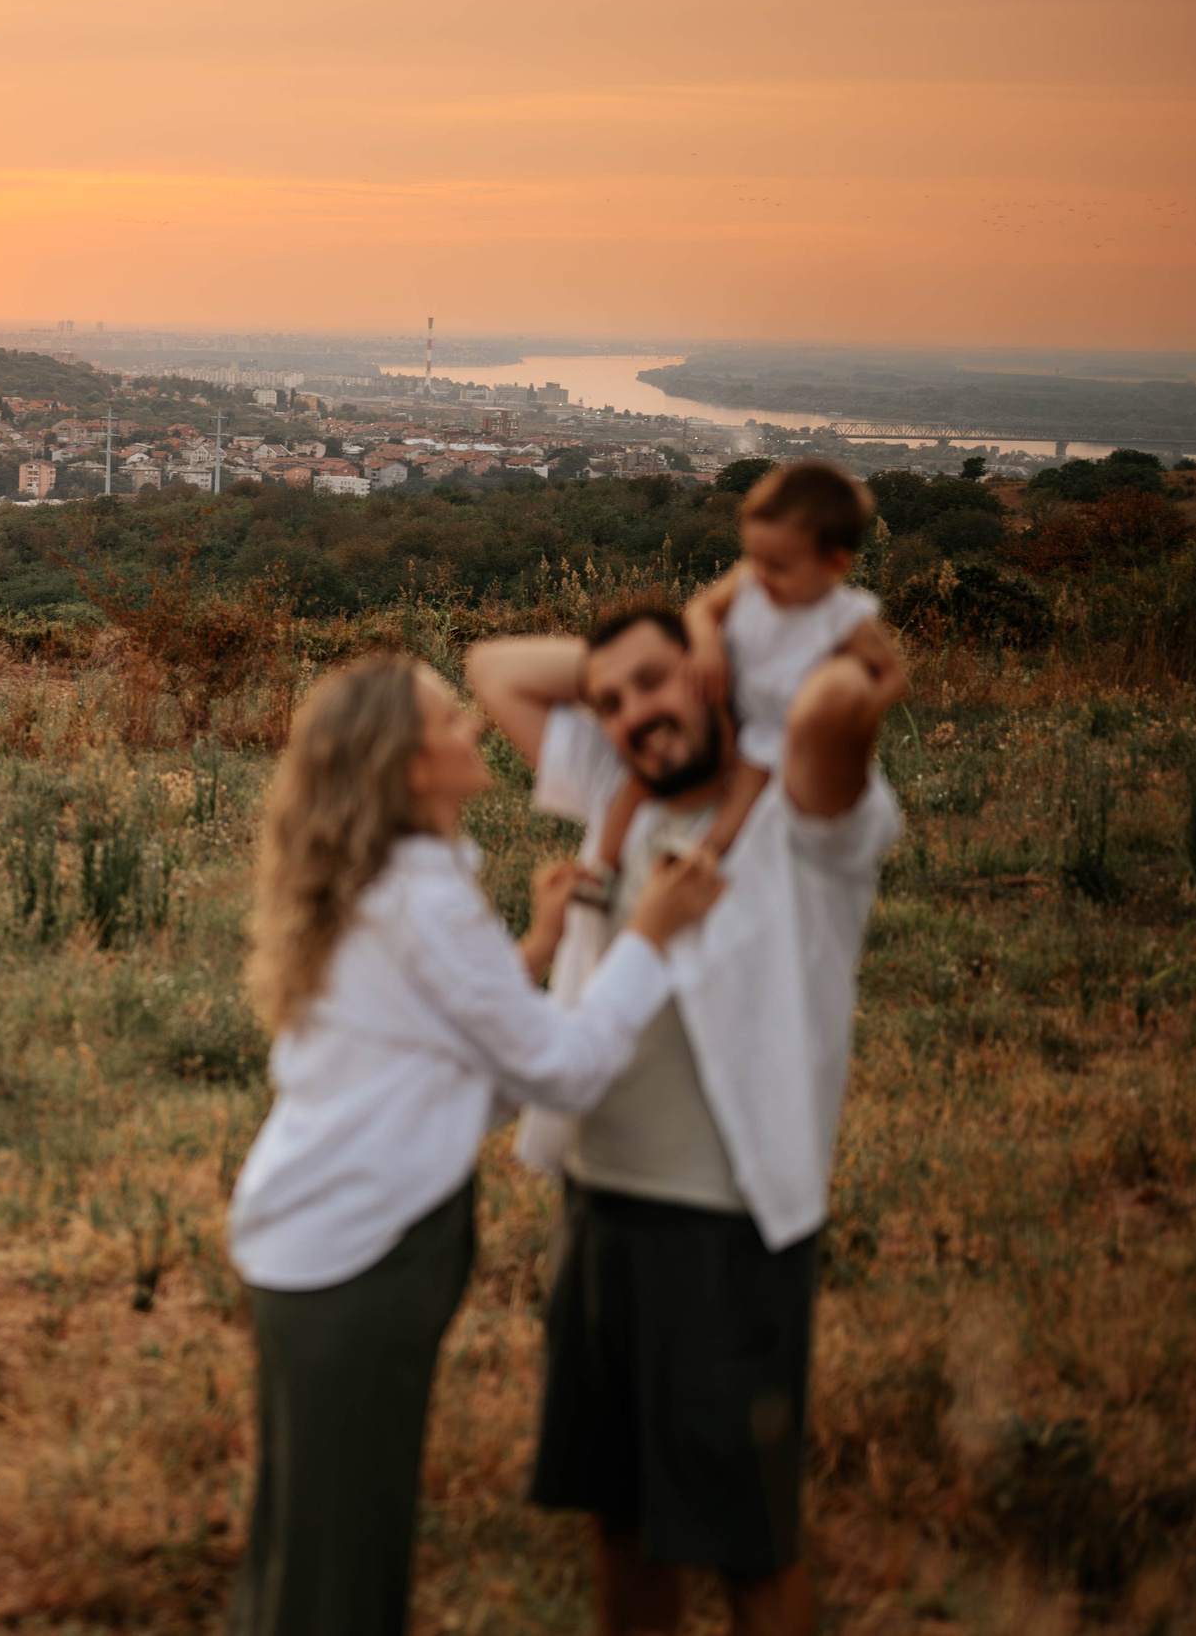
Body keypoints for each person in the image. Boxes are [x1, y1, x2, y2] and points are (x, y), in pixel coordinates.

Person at [224, 655, 725, 1636]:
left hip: (316, 1248)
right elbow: (565, 1072)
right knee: (342, 1572)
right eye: (452, 719)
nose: (474, 729)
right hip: (354, 1260)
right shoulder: (425, 899)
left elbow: (444, 1063)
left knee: (304, 1547)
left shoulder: (391, 880)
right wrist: (648, 939)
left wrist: (533, 954)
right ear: (410, 766)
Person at [467, 595, 906, 1636]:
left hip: (724, 1225)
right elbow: (495, 667)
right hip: (598, 1204)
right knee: (619, 1524)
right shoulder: (614, 784)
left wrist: (720, 638)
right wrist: (635, 679)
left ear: (711, 678)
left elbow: (843, 694)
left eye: (655, 683)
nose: (631, 713)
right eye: (609, 700)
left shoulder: (804, 817)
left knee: (746, 1542)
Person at [578, 460, 899, 899]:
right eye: (755, 558)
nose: (762, 575)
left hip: (771, 728)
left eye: (779, 566)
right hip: (717, 697)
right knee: (636, 783)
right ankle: (603, 868)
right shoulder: (750, 580)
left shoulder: (845, 618)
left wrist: (841, 720)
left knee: (744, 797)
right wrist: (707, 643)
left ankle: (700, 856)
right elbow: (701, 609)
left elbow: (893, 678)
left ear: (834, 564)